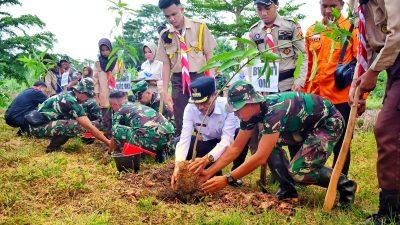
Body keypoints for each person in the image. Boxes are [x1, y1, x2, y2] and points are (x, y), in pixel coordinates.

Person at [200, 80, 357, 205]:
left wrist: (227, 178)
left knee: (299, 172)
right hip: (302, 126)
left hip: (328, 123)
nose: (236, 113)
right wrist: (209, 172)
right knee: (267, 143)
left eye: (238, 108)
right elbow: (235, 148)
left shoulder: (274, 111)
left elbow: (261, 157)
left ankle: (346, 185)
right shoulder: (249, 115)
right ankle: (288, 190)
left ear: (252, 103)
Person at [350, 0, 400, 223]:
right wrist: (358, 87)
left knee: (387, 131)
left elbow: (397, 35)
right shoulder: (358, 3)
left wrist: (372, 73)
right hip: (391, 66)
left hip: (396, 59)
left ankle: (390, 212)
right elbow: (366, 45)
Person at [304, 0, 358, 176]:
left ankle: (340, 183)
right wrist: (305, 93)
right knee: (314, 140)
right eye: (324, 6)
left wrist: (361, 96)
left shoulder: (351, 29)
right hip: (316, 96)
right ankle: (311, 177)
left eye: (333, 6)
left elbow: (360, 65)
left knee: (341, 144)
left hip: (341, 96)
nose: (328, 10)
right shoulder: (312, 30)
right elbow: (309, 64)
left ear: (342, 5)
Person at [171, 77, 248, 189]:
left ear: (215, 95)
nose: (200, 107)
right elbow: (184, 140)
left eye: (205, 102)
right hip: (209, 143)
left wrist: (206, 159)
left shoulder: (228, 107)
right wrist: (178, 165)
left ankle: (235, 173)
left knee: (239, 135)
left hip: (229, 144)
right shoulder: (190, 108)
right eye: (197, 103)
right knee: (179, 142)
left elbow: (227, 141)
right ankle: (203, 172)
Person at [156, 0, 217, 136]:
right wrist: (165, 91)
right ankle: (183, 146)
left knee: (205, 111)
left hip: (199, 77)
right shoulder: (165, 35)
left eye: (174, 14)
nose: (171, 19)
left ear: (182, 10)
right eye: (167, 16)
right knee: (180, 114)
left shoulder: (199, 27)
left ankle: (208, 140)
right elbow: (166, 65)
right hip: (178, 80)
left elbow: (209, 55)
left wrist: (212, 82)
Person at [30, 78, 111, 152]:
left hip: (39, 124)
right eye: (88, 96)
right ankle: (53, 148)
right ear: (82, 92)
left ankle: (55, 145)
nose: (88, 99)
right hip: (37, 127)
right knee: (76, 125)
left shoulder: (68, 95)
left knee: (71, 123)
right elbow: (89, 126)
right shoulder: (70, 101)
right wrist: (108, 142)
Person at [249, 0, 307, 93]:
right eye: (259, 9)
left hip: (290, 85)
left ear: (276, 5)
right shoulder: (254, 31)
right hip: (266, 87)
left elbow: (303, 54)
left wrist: (300, 81)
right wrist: (255, 85)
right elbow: (251, 61)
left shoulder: (290, 25)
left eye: (268, 8)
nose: (264, 13)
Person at [109, 91, 175, 163]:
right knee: (139, 130)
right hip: (169, 136)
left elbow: (113, 136)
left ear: (115, 104)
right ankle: (161, 152)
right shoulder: (137, 106)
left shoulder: (120, 111)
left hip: (153, 138)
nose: (112, 109)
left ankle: (132, 155)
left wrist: (110, 152)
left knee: (116, 129)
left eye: (112, 107)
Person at [93, 38, 124, 138]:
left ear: (111, 49)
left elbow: (123, 78)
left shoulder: (118, 61)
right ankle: (108, 140)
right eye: (103, 50)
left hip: (117, 96)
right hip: (104, 95)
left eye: (107, 49)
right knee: (106, 119)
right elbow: (96, 82)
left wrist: (124, 95)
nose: (105, 52)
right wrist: (97, 97)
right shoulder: (98, 63)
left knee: (118, 117)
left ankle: (119, 138)